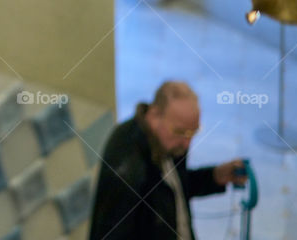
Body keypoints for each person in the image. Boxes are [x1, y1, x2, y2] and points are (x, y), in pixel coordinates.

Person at [88, 81, 247, 239]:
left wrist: (214, 176)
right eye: (181, 132)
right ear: (155, 115)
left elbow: (173, 188)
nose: (187, 143)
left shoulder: (170, 141)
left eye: (193, 133)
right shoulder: (128, 171)